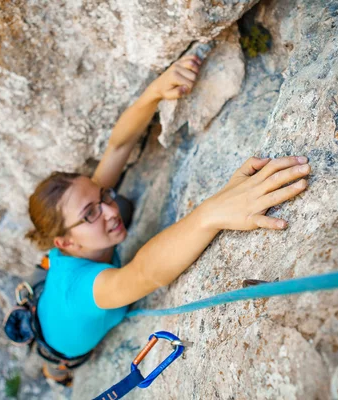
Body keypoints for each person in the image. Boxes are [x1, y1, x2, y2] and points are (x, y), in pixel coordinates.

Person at [25, 55, 311, 385]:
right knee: (58, 362)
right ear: (65, 243)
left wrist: (154, 92)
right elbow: (146, 272)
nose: (109, 208)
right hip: (59, 337)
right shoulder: (89, 290)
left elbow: (118, 146)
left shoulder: (82, 222)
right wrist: (214, 211)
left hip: (53, 290)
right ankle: (54, 371)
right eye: (90, 214)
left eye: (103, 194)